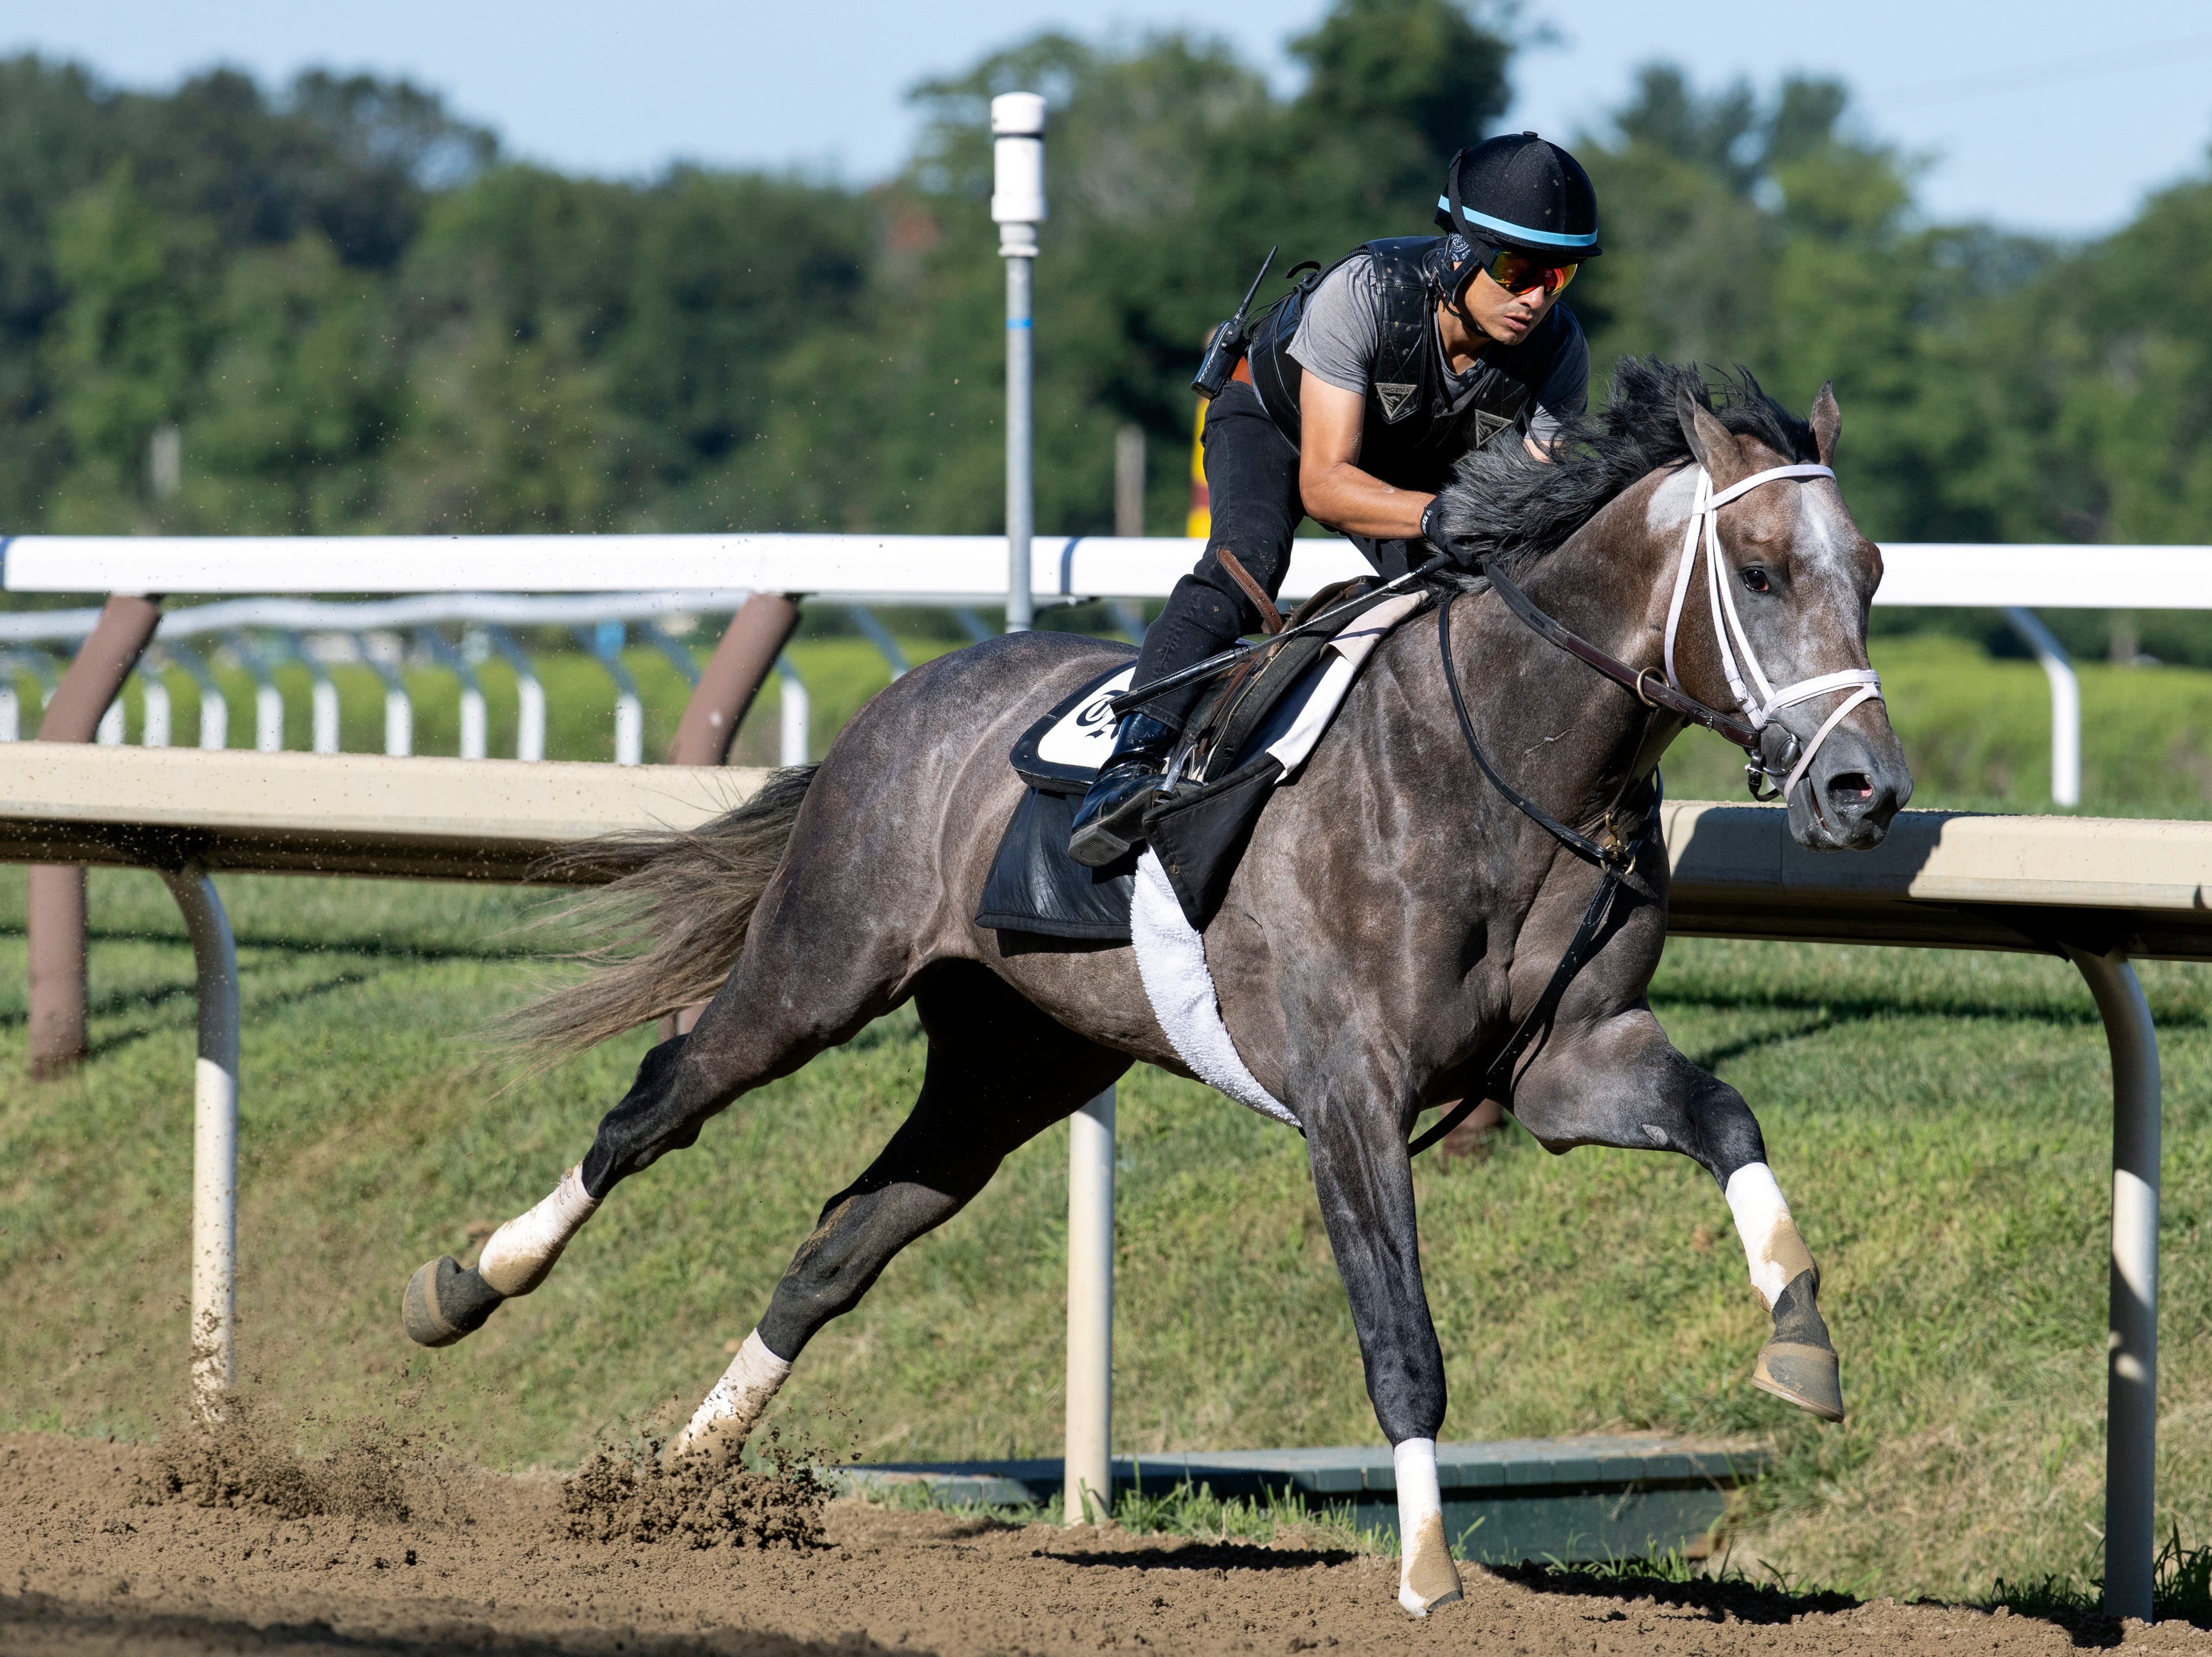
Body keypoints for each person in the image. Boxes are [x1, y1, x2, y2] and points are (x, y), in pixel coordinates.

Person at [1068, 131, 1600, 867]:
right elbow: (1325, 483)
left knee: (1466, 597)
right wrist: (1436, 516)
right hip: (1275, 425)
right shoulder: (1369, 291)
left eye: (1559, 276)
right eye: (1517, 269)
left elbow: (1532, 521)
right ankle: (1128, 761)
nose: (1536, 299)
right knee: (1249, 560)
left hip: (1398, 462)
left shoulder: (1561, 354)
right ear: (1460, 253)